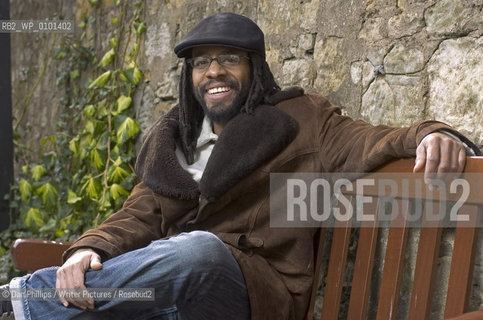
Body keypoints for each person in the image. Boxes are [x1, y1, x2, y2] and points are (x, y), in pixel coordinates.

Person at [1, 12, 481, 320]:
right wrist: (87, 249)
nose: (213, 71)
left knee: (199, 252)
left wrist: (430, 134)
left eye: (228, 59)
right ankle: (33, 301)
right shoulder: (179, 139)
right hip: (173, 298)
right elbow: (140, 212)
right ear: (190, 76)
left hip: (255, 291)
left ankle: (21, 300)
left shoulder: (303, 120)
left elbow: (373, 140)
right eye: (200, 63)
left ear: (254, 68)